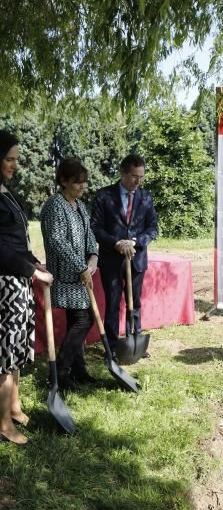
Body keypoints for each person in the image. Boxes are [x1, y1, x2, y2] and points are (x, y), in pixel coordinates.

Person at [0, 130, 54, 444]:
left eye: (16, 159)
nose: (14, 165)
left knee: (18, 349)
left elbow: (17, 242)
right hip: (5, 284)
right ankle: (4, 424)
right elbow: (1, 250)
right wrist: (30, 272)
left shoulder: (6, 192)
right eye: (9, 159)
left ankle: (15, 408)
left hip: (19, 279)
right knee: (5, 355)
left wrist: (36, 263)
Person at [90, 154, 157, 358]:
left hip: (136, 260)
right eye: (134, 176)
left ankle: (134, 338)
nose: (138, 181)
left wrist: (135, 242)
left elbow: (152, 228)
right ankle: (111, 346)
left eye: (141, 177)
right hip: (111, 259)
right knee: (112, 303)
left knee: (134, 301)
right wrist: (116, 243)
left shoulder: (146, 197)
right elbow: (95, 227)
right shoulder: (103, 196)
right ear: (122, 173)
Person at [40, 158, 98, 390]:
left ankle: (79, 370)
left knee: (79, 319)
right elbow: (57, 242)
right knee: (84, 319)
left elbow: (89, 236)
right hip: (66, 276)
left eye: (84, 182)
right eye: (77, 182)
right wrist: (81, 267)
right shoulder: (55, 205)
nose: (83, 186)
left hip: (81, 275)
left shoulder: (80, 206)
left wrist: (93, 257)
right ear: (63, 181)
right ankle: (60, 373)